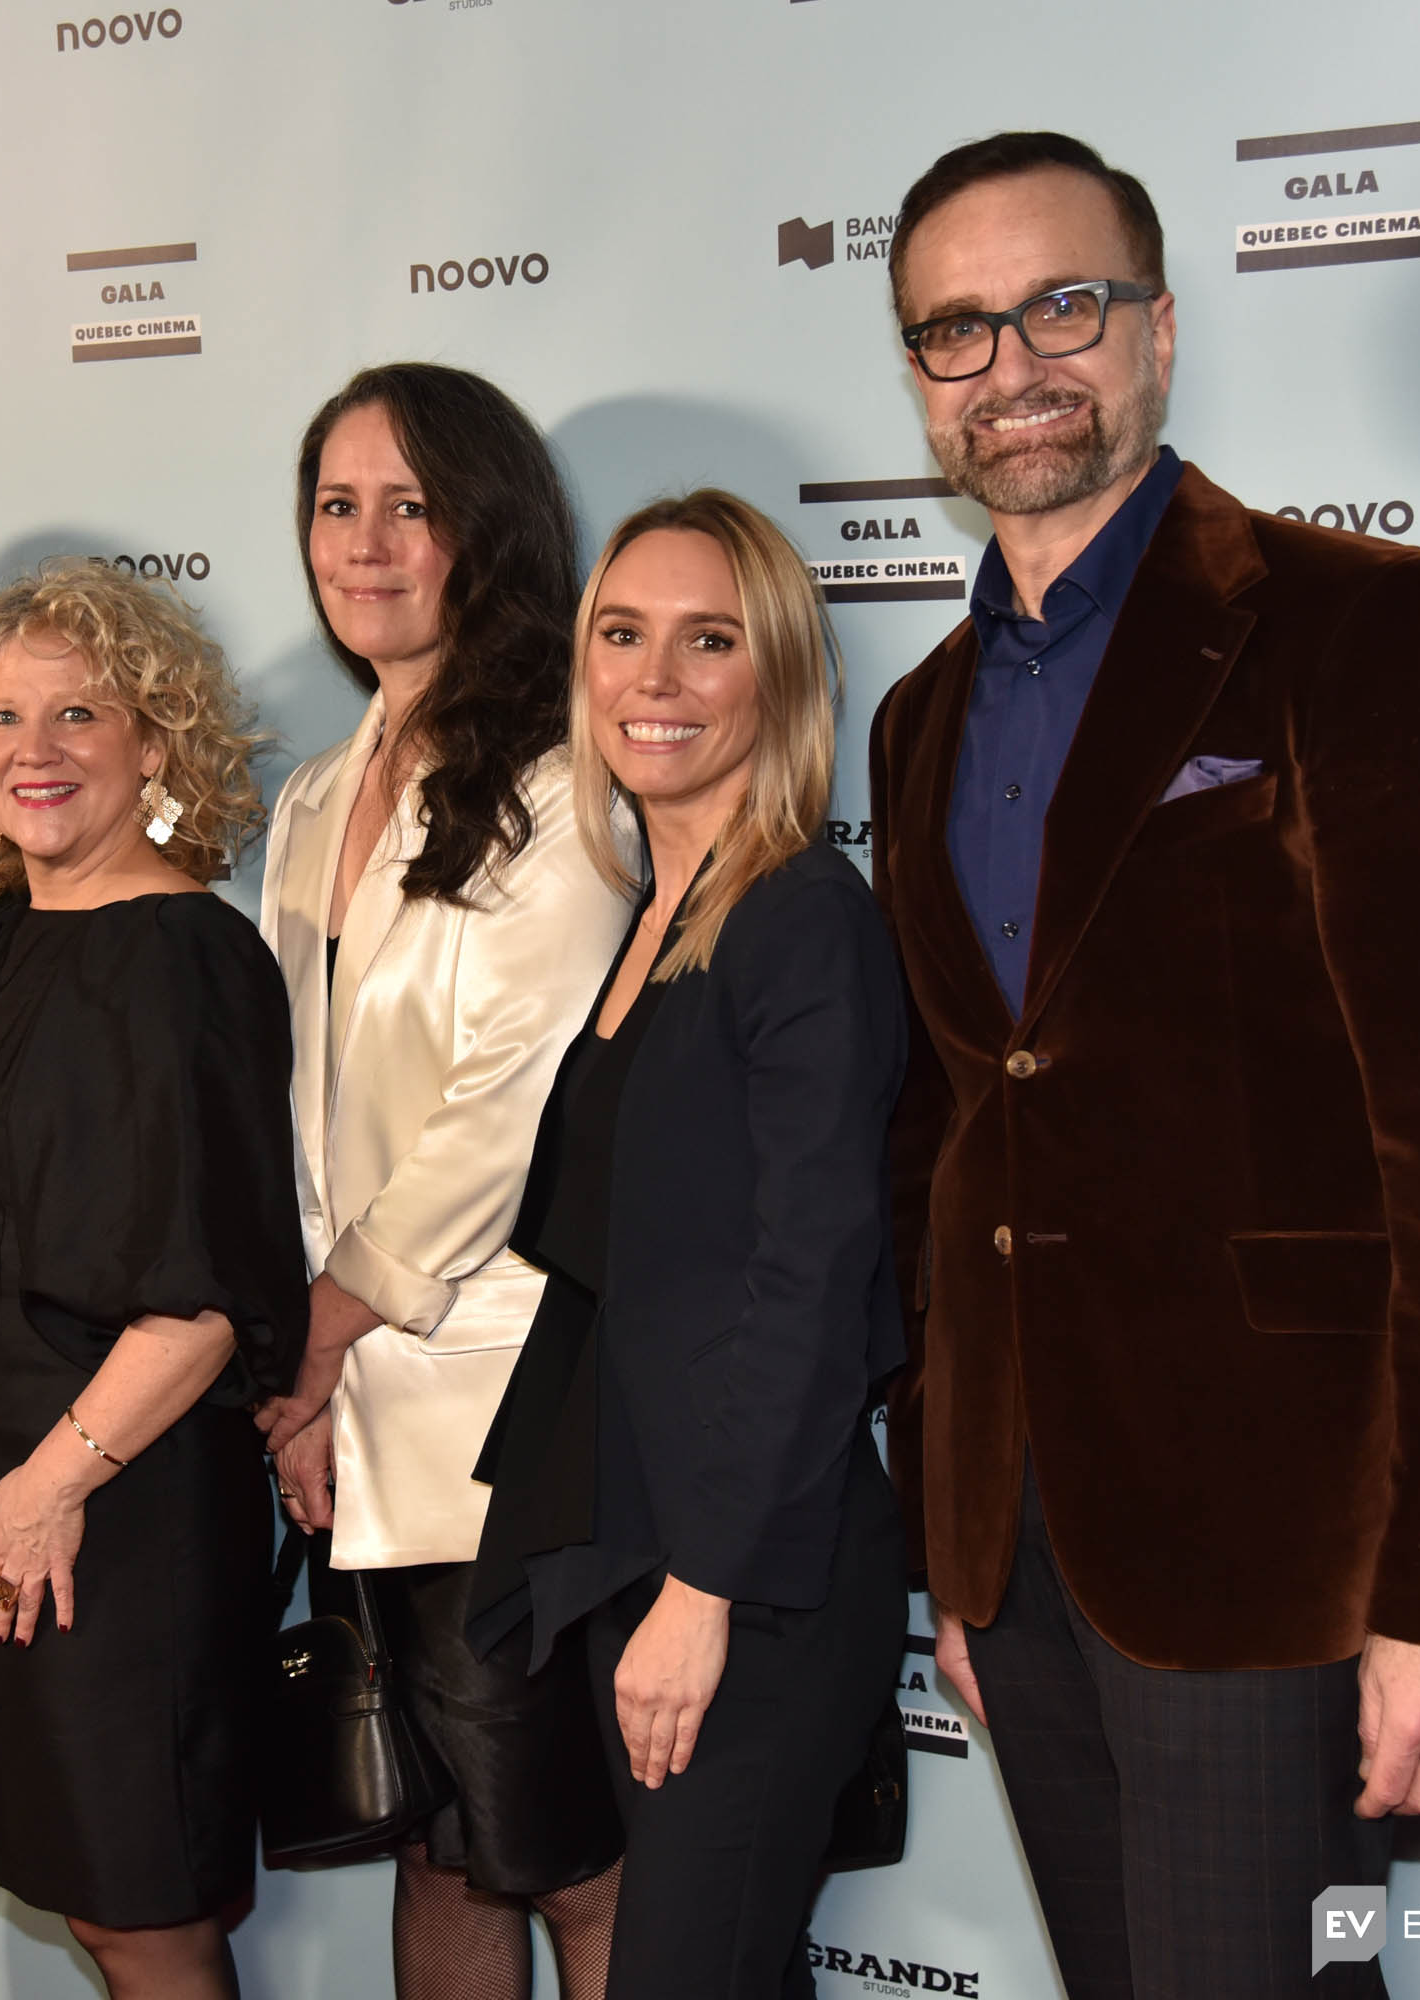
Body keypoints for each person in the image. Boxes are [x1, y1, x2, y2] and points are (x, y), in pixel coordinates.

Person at [867, 132, 1420, 1999]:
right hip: (1020, 1555)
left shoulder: (1363, 626)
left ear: (1159, 332)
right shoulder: (918, 720)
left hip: (1281, 1539)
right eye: (958, 327)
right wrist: (959, 1538)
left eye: (1063, 304)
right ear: (920, 376)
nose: (1014, 361)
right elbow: (959, 1135)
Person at [466, 493, 908, 1998]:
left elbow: (813, 1285)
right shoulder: (657, 915)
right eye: (624, 636)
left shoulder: (801, 923)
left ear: (775, 677)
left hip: (748, 1577)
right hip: (639, 1551)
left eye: (707, 641)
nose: (655, 680)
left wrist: (706, 1591)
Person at [253, 362, 630, 1996]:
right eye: (339, 505)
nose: (368, 542)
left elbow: (513, 1103)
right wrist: (300, 1368)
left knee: (568, 1859)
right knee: (434, 1838)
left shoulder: (569, 772)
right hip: (344, 1412)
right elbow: (288, 1104)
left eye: (414, 505)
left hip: (504, 1419)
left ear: (493, 528)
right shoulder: (315, 794)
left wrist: (327, 1332)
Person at [0, 561, 309, 2000]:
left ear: (156, 740)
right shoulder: (14, 939)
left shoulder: (185, 955)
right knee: (92, 1903)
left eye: (80, 712)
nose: (34, 749)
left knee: (145, 1911)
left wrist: (54, 1481)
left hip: (115, 1504)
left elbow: (202, 1295)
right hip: (14, 1486)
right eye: (4, 717)